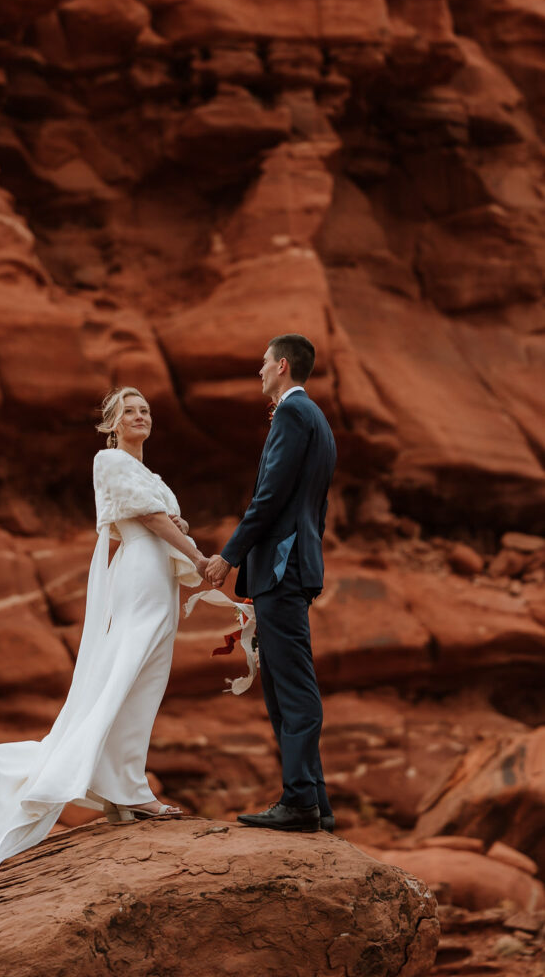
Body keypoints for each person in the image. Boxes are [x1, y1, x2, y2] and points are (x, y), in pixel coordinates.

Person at [0, 387, 209, 897]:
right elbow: (150, 520)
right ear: (111, 422)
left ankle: (121, 788)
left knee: (145, 680)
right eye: (129, 411)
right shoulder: (109, 460)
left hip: (159, 577)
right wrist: (197, 557)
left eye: (145, 411)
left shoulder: (149, 473)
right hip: (140, 573)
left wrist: (185, 538)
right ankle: (125, 789)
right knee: (123, 674)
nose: (140, 417)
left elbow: (162, 516)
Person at [206, 334, 337, 833]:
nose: (258, 371)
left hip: (280, 570)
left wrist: (229, 557)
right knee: (286, 687)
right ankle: (316, 802)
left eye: (263, 364)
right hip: (296, 565)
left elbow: (269, 497)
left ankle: (300, 801)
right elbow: (315, 508)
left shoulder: (291, 415)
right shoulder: (318, 422)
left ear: (282, 366)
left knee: (292, 689)